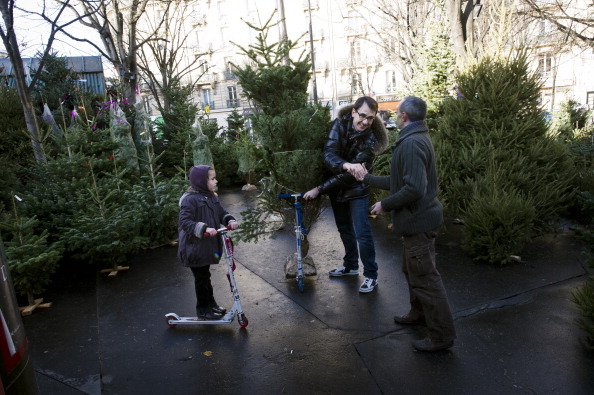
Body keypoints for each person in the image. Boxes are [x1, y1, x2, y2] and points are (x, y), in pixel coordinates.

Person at [356, 96, 456, 351]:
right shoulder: (415, 138)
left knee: (425, 279)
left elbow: (413, 188)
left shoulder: (411, 143)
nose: (394, 117)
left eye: (396, 114)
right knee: (412, 271)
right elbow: (401, 180)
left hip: (419, 222)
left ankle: (441, 336)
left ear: (403, 117)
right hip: (417, 222)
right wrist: (367, 178)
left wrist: (385, 205)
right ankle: (419, 315)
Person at [304, 96, 387, 293]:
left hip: (357, 189)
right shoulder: (339, 126)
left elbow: (351, 177)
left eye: (371, 118)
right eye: (362, 116)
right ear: (353, 112)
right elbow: (328, 154)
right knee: (344, 229)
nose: (365, 122)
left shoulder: (372, 141)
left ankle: (371, 275)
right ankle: (350, 265)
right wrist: (346, 164)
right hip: (337, 189)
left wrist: (319, 189)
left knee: (362, 233)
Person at [177, 165, 239, 320]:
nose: (216, 181)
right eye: (212, 178)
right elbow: (185, 222)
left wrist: (229, 220)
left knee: (205, 277)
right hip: (193, 248)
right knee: (202, 279)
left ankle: (211, 304)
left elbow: (220, 213)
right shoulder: (189, 199)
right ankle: (203, 310)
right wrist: (204, 227)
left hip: (204, 247)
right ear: (201, 181)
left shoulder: (211, 196)